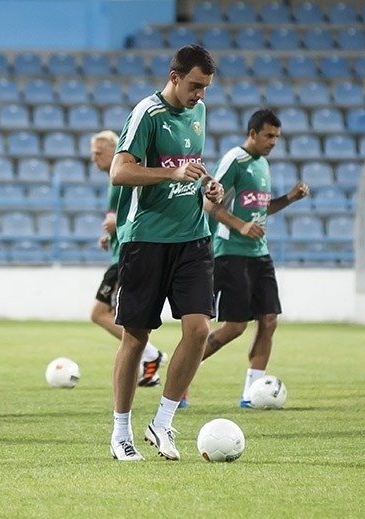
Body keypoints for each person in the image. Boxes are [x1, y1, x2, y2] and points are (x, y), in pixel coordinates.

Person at [108, 44, 224, 461]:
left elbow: (191, 164)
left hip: (193, 237)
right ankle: (120, 432)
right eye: (195, 86)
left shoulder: (200, 112)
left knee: (198, 330)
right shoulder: (147, 114)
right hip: (147, 240)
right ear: (174, 76)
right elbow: (119, 170)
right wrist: (169, 173)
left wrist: (210, 186)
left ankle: (163, 422)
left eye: (206, 88)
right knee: (136, 337)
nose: (200, 95)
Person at [193, 108, 309, 408]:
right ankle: (183, 377)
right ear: (253, 133)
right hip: (231, 253)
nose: (273, 142)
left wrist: (289, 199)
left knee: (269, 320)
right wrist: (241, 226)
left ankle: (251, 392)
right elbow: (209, 203)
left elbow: (262, 208)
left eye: (277, 137)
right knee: (234, 326)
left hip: (260, 254)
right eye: (269, 136)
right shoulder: (236, 160)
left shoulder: (262, 165)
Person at [89, 130, 167, 387]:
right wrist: (111, 233)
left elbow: (136, 209)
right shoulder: (115, 180)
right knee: (111, 315)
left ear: (114, 150)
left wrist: (116, 226)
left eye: (98, 153)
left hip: (126, 255)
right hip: (121, 250)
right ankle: (149, 358)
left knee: (103, 314)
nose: (94, 158)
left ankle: (150, 355)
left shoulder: (123, 175)